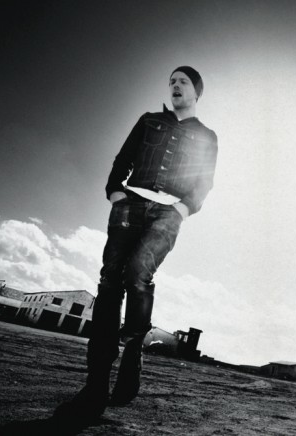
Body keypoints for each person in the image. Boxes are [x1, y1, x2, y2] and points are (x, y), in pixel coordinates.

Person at [53, 66, 218, 426]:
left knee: (138, 274)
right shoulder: (149, 120)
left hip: (168, 213)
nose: (175, 85)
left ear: (196, 92)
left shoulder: (207, 135)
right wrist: (115, 192)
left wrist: (183, 209)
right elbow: (124, 157)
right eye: (171, 81)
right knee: (109, 282)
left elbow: (205, 180)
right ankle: (95, 387)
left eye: (183, 82)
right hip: (129, 205)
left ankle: (132, 348)